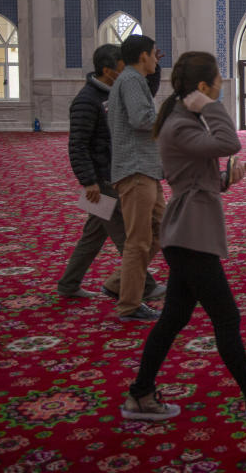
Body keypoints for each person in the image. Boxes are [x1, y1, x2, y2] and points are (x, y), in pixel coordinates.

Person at [121, 51, 246, 421]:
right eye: (216, 82)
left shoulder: (183, 121)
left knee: (173, 318)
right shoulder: (182, 124)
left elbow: (193, 175)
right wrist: (209, 107)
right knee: (227, 318)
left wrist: (222, 179)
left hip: (191, 232)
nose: (221, 87)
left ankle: (140, 393)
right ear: (203, 87)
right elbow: (229, 143)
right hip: (190, 237)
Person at [58, 44, 165, 301]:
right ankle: (140, 286)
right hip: (105, 181)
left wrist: (154, 66)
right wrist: (88, 181)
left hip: (113, 174)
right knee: (130, 237)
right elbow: (78, 145)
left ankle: (69, 284)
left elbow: (145, 93)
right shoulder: (86, 101)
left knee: (94, 235)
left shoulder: (117, 91)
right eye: (122, 66)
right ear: (107, 70)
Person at [107, 34, 166, 322]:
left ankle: (119, 283)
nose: (157, 59)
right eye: (154, 54)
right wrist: (173, 117)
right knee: (138, 241)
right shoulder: (130, 80)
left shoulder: (135, 80)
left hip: (146, 170)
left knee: (161, 229)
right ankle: (129, 305)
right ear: (143, 56)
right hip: (136, 170)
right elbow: (141, 119)